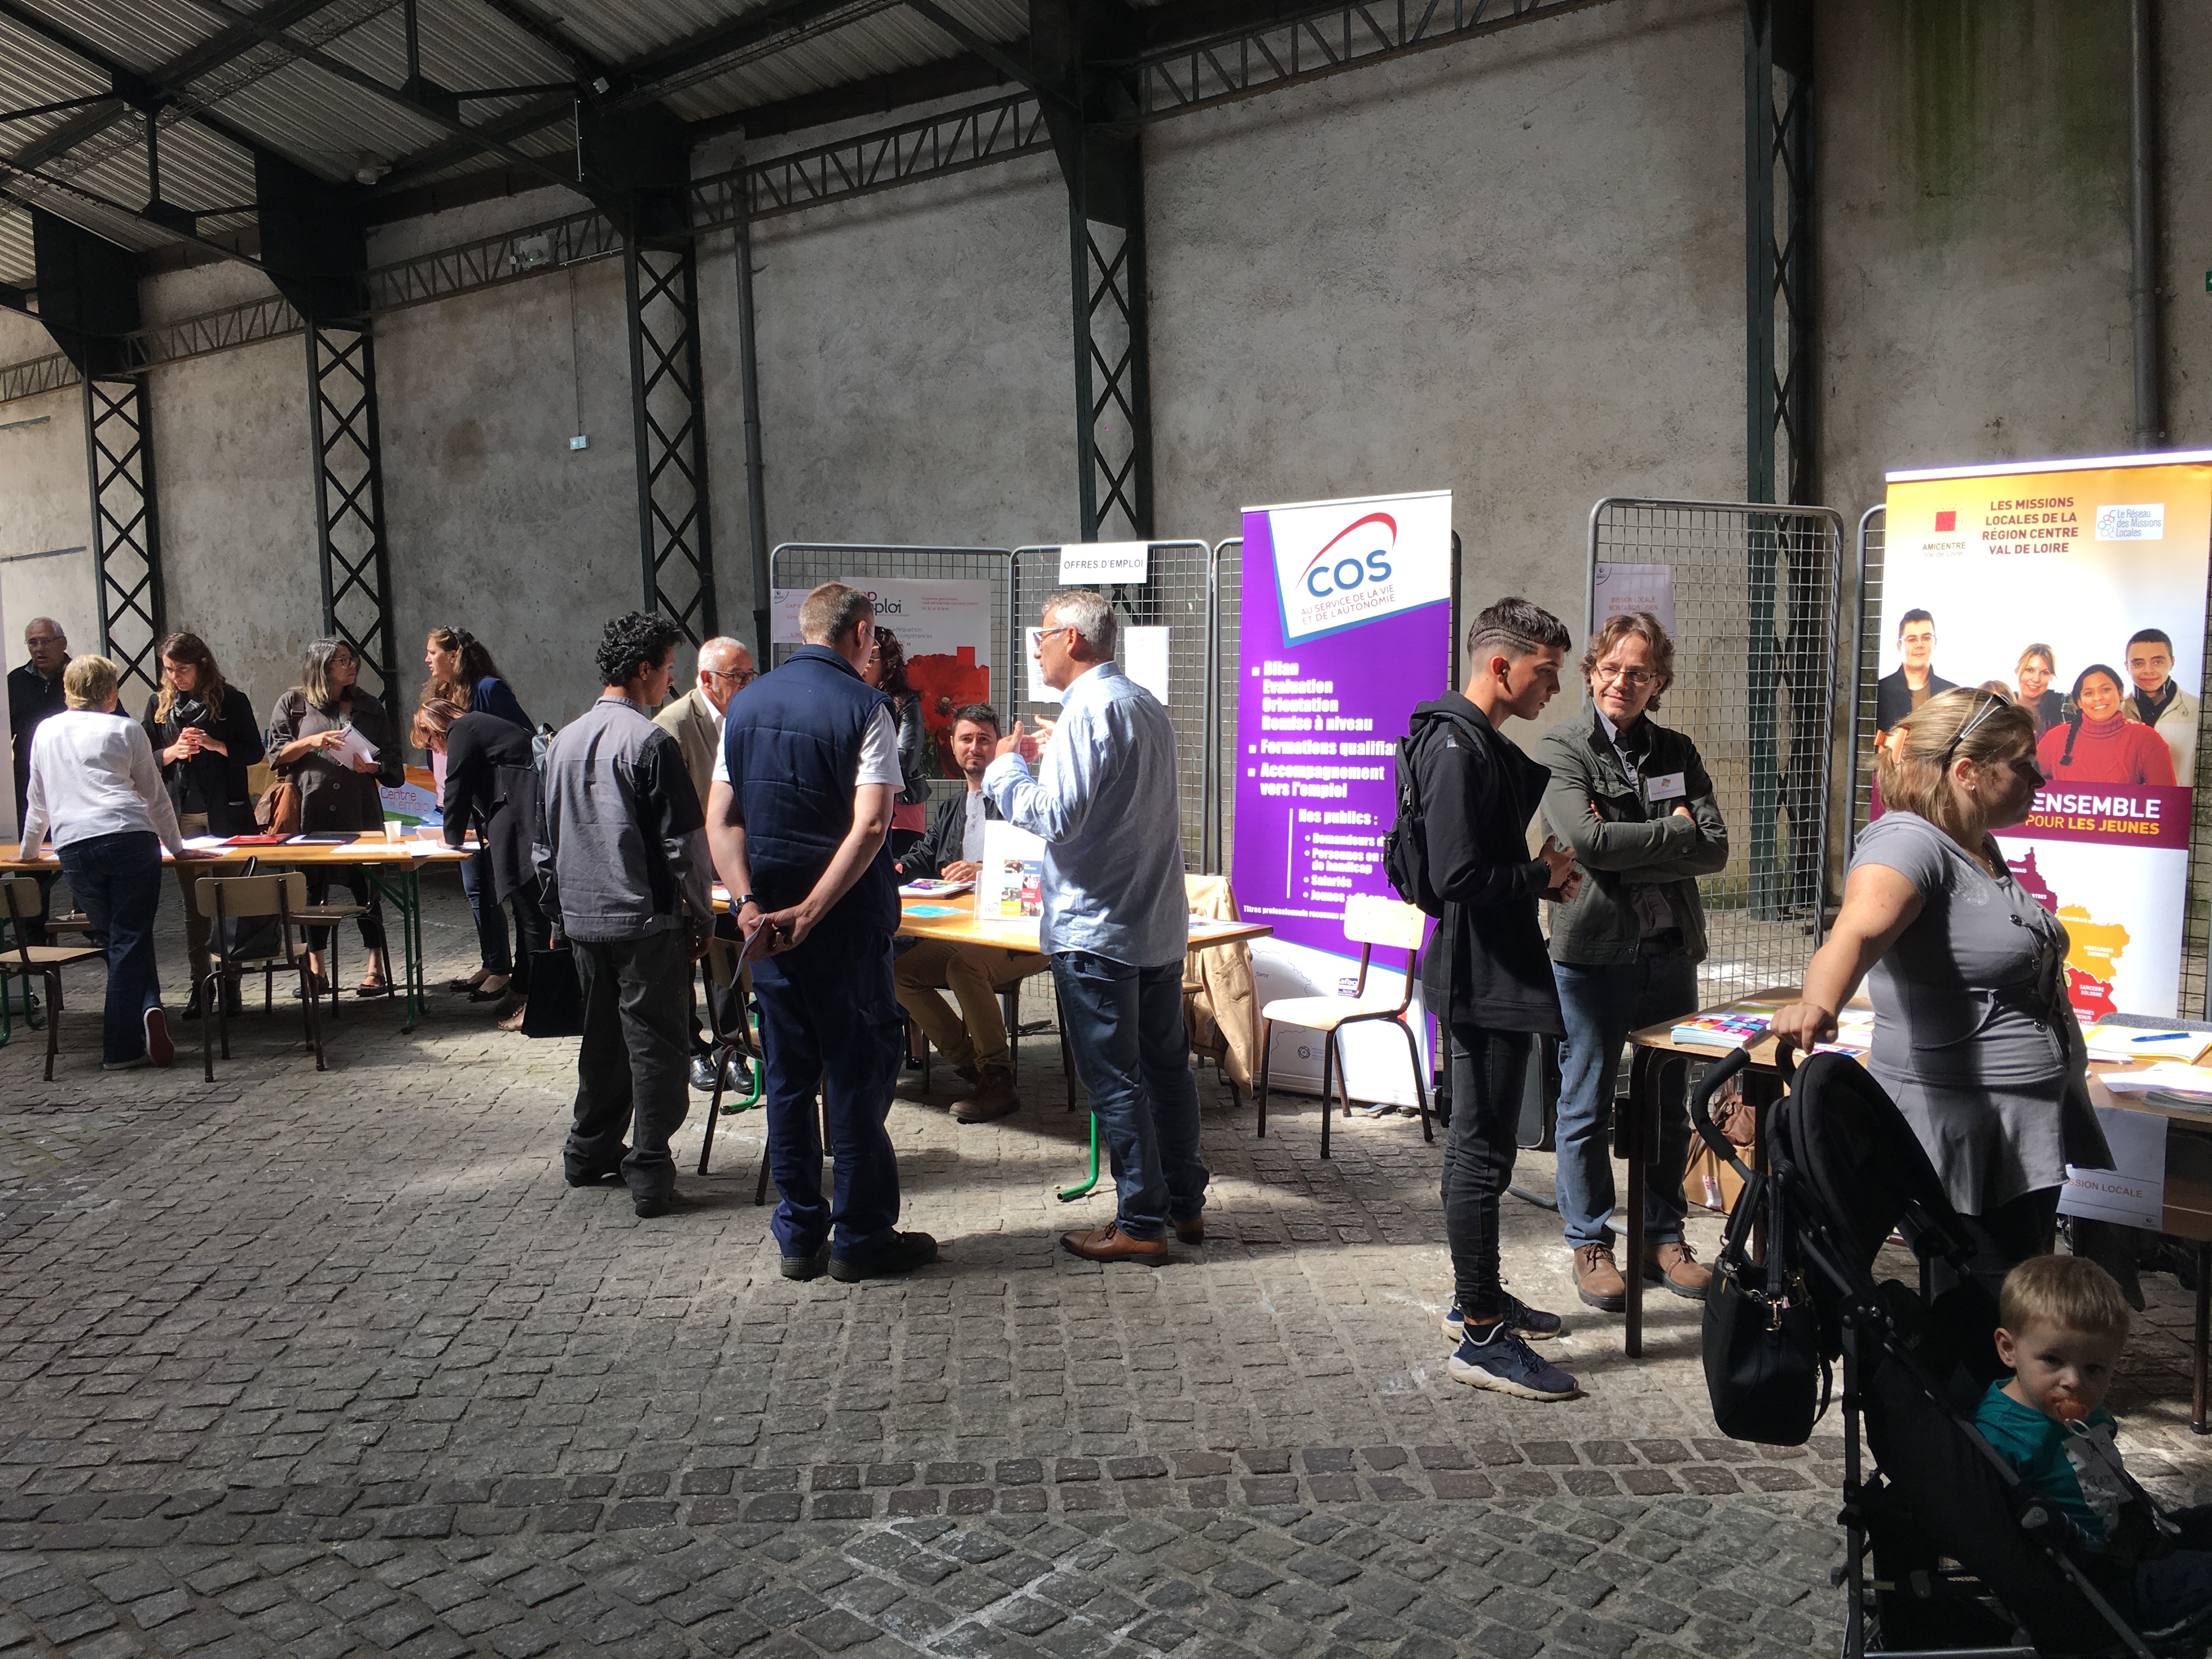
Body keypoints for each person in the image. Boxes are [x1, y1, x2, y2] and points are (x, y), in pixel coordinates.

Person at [1774, 690, 2111, 1301]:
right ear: (1967, 773)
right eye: (2024, 765)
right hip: (1963, 1140)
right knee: (1987, 1315)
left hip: (2015, 1130)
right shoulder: (1909, 843)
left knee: (2011, 1305)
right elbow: (1855, 933)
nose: (2041, 778)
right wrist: (1818, 1005)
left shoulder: (1974, 841)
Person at [712, 583, 935, 1280]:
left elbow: (720, 819)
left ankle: (799, 1236)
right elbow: (872, 825)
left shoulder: (743, 705)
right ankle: (862, 1237)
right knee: (856, 1081)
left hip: (768, 928)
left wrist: (748, 903)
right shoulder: (868, 707)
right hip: (842, 927)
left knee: (787, 1078)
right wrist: (813, 910)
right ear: (862, 633)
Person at [983, 589, 1200, 1262]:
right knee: (1167, 1072)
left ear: (1073, 639)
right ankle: (1183, 1207)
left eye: (1042, 636)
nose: (1037, 648)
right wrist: (1060, 748)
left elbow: (1059, 819)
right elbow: (1110, 797)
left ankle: (1140, 1222)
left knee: (1116, 1083)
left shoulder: (1089, 711)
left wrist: (1006, 769)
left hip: (1098, 930)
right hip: (1153, 925)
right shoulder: (1140, 704)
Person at [1408, 597, 1582, 1400]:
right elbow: (1454, 878)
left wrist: (1535, 872)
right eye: (1547, 674)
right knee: (1479, 1154)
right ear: (1501, 666)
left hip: (1492, 967)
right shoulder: (1455, 748)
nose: (1555, 690)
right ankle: (1480, 1332)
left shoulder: (1470, 740)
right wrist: (1541, 875)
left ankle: (1474, 1298)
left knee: (1488, 1149)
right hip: (1481, 975)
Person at [1535, 611, 1726, 1312]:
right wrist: (1669, 832)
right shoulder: (1564, 749)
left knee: (1668, 1102)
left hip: (1669, 950)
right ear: (1591, 673)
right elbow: (1588, 844)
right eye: (1611, 668)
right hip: (1593, 955)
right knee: (1586, 1101)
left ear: (1659, 683)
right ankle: (1590, 1241)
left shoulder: (1676, 748)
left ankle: (1661, 1236)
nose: (1623, 682)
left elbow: (1715, 849)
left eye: (1639, 672)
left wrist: (1638, 840)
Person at [537, 613, 714, 1219]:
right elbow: (684, 845)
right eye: (667, 670)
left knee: (603, 1044)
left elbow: (544, 849)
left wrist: (558, 914)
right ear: (644, 671)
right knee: (657, 1049)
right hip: (645, 924)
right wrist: (700, 916)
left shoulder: (561, 741)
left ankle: (588, 1153)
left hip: (585, 922)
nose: (670, 683)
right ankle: (650, 1169)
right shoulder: (651, 743)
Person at [1979, 1254, 2212, 1634]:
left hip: (2140, 1533)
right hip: (2108, 1583)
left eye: (2094, 1369)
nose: (2073, 1382)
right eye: (2053, 1360)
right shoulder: (2001, 1436)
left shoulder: (2082, 1411)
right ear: (2008, 1349)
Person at [19, 656, 216, 1069]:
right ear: (111, 693)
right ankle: (121, 1047)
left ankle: (149, 1008)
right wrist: (178, 848)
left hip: (73, 845)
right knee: (129, 938)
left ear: (68, 691)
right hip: (129, 838)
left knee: (120, 940)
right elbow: (155, 798)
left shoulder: (46, 731)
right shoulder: (125, 729)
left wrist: (28, 853)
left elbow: (37, 799)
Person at [894, 703, 1045, 1123]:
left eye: (984, 739)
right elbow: (925, 855)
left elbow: (1040, 864)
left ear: (999, 747)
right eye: (966, 739)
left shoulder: (1019, 800)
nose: (975, 747)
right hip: (967, 932)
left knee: (963, 969)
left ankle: (998, 1078)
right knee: (900, 974)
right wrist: (894, 867)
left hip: (1021, 935)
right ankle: (973, 1065)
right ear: (953, 746)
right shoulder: (951, 807)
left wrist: (985, 869)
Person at [264, 640, 401, 997]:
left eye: (351, 659)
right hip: (312, 813)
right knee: (312, 892)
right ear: (322, 667)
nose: (351, 665)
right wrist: (312, 742)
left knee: (366, 888)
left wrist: (374, 767)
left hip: (360, 814)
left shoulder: (370, 706)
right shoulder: (293, 704)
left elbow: (393, 767)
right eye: (342, 660)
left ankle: (375, 968)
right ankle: (317, 970)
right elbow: (276, 755)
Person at [654, 636, 757, 1091]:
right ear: (706, 681)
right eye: (737, 678)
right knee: (683, 965)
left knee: (727, 960)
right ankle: (694, 1050)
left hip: (732, 867)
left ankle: (731, 1046)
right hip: (687, 867)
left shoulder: (749, 717)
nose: (747, 685)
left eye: (751, 675)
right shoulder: (673, 725)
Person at [142, 632, 263, 1017]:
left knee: (227, 900)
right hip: (182, 815)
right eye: (168, 669)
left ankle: (230, 984)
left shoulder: (232, 700)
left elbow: (254, 752)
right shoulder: (158, 703)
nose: (175, 676)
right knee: (195, 907)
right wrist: (171, 752)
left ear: (203, 664)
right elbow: (143, 757)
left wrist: (216, 745)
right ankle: (200, 984)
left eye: (182, 669)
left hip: (225, 814)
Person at [413, 697, 549, 1032]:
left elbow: (457, 784)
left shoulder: (462, 728)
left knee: (532, 914)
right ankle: (521, 988)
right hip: (518, 812)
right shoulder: (478, 727)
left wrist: (452, 836)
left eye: (431, 743)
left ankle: (538, 1001)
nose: (437, 751)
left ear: (436, 727)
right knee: (524, 909)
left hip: (522, 817)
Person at [423, 627, 531, 1001]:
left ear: (454, 655)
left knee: (507, 890)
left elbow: (523, 739)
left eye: (433, 652)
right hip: (457, 804)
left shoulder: (487, 690)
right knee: (476, 889)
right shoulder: (439, 696)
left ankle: (511, 972)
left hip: (494, 806)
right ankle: (493, 961)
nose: (427, 659)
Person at [2037, 664, 2176, 787]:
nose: (2098, 698)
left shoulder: (2147, 739)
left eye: (2105, 690)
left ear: (2120, 693)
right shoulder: (2056, 737)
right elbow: (2024, 782)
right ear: (2079, 702)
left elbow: (2167, 803)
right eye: (2089, 693)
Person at [866, 625, 932, 862]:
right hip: (859, 806)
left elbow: (906, 757)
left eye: (871, 658)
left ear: (887, 663)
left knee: (899, 875)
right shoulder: (849, 698)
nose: (863, 665)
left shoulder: (905, 700)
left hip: (902, 806)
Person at [8, 616, 68, 836]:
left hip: (72, 779)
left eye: (46, 641)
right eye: (32, 642)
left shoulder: (82, 677)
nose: (39, 649)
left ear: (63, 643)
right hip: (28, 780)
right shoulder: (15, 682)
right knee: (34, 850)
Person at [2123, 627, 2198, 786]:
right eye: (2138, 663)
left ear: (2172, 662)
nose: (2148, 670)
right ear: (2127, 667)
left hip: (2180, 807)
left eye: (2158, 662)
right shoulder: (2115, 713)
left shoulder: (2199, 712)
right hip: (2128, 806)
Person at [1874, 608, 1956, 738]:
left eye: (1926, 638)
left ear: (1935, 642)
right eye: (1912, 639)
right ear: (1899, 646)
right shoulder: (1879, 693)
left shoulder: (1952, 694)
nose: (1920, 645)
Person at [2016, 644, 2064, 737]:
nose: (2036, 679)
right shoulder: (2001, 707)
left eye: (2044, 673)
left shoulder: (2062, 709)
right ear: (2017, 671)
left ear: (2051, 677)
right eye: (2030, 670)